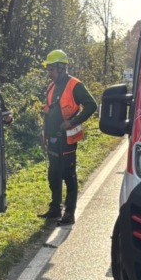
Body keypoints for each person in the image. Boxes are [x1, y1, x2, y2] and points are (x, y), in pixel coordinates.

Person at [39, 49, 97, 226]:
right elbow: (48, 112)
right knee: (53, 173)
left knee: (68, 174)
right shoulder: (51, 86)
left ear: (61, 68)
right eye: (48, 69)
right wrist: (44, 132)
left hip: (68, 139)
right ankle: (55, 208)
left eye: (51, 69)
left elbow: (91, 105)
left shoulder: (75, 85)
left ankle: (69, 213)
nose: (49, 73)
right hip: (53, 139)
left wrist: (72, 121)